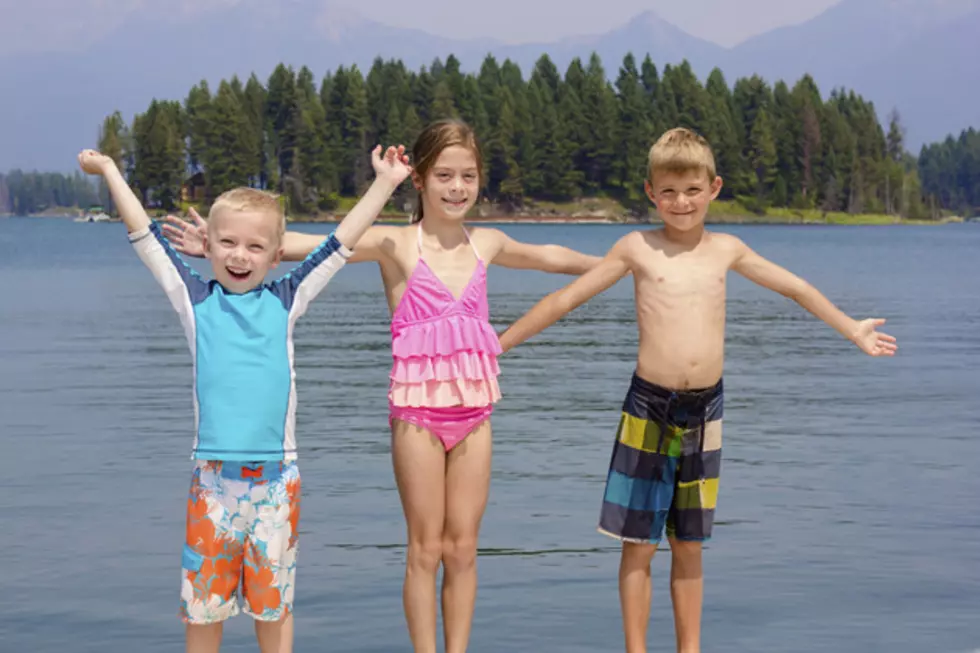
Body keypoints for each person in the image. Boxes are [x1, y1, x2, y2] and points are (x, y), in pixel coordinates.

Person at [161, 118, 602, 653]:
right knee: (424, 548)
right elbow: (315, 243)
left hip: (476, 415)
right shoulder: (395, 243)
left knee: (462, 549)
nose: (456, 187)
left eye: (468, 175)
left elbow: (556, 258)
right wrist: (220, 244)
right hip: (416, 416)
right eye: (443, 175)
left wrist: (624, 262)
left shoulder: (488, 242)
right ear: (418, 178)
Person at [495, 127, 898, 653]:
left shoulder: (727, 249)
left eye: (691, 190)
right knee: (638, 544)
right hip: (649, 407)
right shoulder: (635, 248)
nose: (680, 202)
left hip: (706, 410)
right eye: (668, 191)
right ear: (649, 192)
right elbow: (564, 300)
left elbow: (795, 287)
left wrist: (852, 329)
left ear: (714, 187)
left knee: (689, 544)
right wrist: (496, 346)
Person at [78, 144, 412, 653]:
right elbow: (144, 235)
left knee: (272, 605)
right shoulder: (195, 302)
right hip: (212, 481)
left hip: (278, 480)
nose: (240, 255)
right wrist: (109, 171)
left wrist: (385, 184)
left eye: (255, 247)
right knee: (203, 607)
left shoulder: (287, 299)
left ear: (276, 256)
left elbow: (340, 243)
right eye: (228, 242)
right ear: (206, 246)